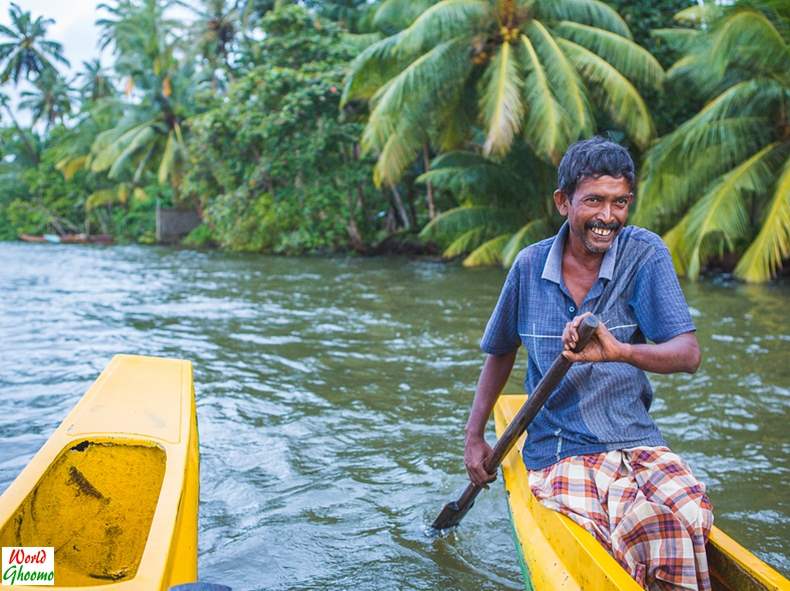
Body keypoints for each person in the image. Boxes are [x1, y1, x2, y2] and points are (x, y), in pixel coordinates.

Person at [463, 137, 713, 591]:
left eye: (620, 203)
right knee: (643, 527)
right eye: (594, 201)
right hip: (560, 447)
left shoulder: (644, 254)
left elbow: (687, 354)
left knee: (692, 512)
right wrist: (474, 436)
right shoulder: (529, 266)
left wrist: (621, 351)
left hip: (635, 438)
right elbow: (501, 350)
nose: (607, 217)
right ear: (563, 202)